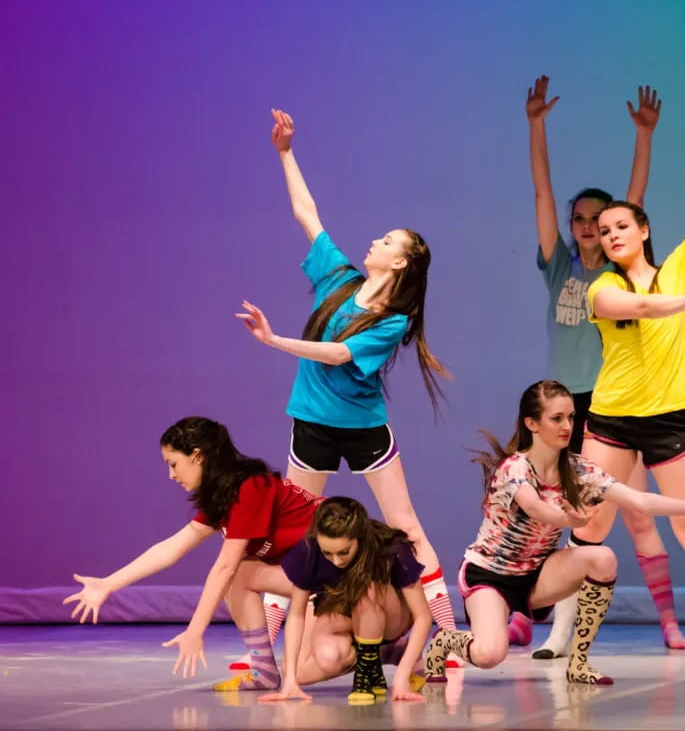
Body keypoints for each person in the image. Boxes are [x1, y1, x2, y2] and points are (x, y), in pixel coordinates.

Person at [549, 108, 685, 663]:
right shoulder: (600, 286)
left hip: (672, 418)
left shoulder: (678, 264)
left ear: (643, 229)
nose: (611, 235)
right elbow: (643, 307)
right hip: (612, 420)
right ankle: (558, 636)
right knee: (591, 521)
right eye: (603, 231)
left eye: (621, 226)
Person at [235, 109, 458, 646]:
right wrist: (285, 153)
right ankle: (268, 648)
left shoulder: (393, 320)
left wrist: (275, 342)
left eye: (387, 241)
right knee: (289, 533)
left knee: (405, 526)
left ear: (400, 264)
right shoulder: (337, 277)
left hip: (362, 428)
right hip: (311, 422)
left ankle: (448, 635)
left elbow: (338, 354)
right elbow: (306, 212)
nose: (375, 242)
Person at [422, 380, 685, 685]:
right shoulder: (514, 468)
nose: (567, 425)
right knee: (490, 654)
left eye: (571, 417)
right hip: (491, 575)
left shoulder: (578, 469)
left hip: (538, 574)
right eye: (556, 418)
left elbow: (639, 499)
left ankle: (579, 662)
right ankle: (446, 641)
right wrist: (568, 521)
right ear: (532, 424)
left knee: (602, 558)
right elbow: (535, 508)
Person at [524, 75, 685, 654]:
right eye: (580, 220)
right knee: (563, 515)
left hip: (614, 407)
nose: (588, 226)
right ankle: (543, 620)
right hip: (564, 406)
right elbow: (543, 194)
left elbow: (634, 200)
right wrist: (536, 126)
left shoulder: (616, 273)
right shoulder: (559, 268)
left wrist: (643, 139)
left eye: (598, 220)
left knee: (638, 518)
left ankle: (668, 621)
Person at [63, 416, 324, 685]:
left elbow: (225, 566)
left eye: (173, 464)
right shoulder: (224, 495)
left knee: (303, 668)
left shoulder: (250, 488)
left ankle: (368, 651)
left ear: (197, 456)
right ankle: (264, 671)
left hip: (345, 574)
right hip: (311, 579)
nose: (171, 475)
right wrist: (108, 584)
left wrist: (195, 631)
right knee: (240, 576)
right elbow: (172, 547)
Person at [255, 497, 431, 704]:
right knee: (308, 669)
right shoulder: (309, 551)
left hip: (391, 617)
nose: (336, 561)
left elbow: (422, 616)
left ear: (359, 538)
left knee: (366, 588)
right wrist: (290, 681)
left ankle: (365, 675)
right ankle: (385, 653)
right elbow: (296, 613)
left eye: (344, 552)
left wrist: (402, 678)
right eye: (327, 552)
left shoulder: (390, 547)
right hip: (344, 612)